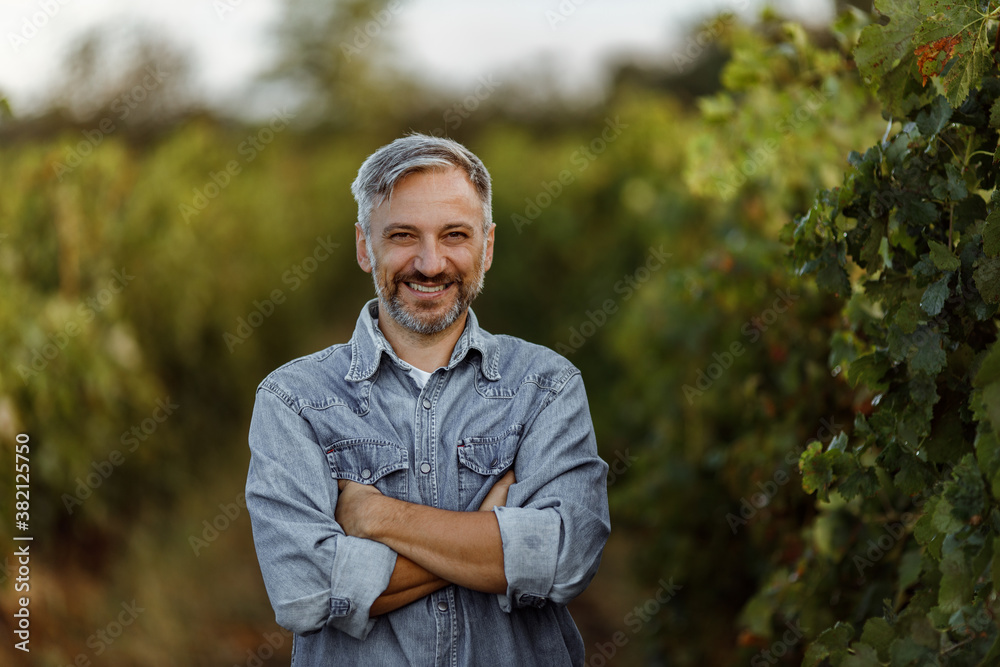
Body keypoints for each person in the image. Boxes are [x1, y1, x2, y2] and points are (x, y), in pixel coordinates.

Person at [246, 133, 610, 666]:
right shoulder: (293, 400)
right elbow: (306, 592)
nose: (431, 262)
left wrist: (375, 517)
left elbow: (565, 559)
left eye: (455, 235)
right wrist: (494, 540)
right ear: (364, 247)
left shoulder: (547, 386)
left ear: (486, 247)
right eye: (402, 235)